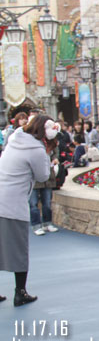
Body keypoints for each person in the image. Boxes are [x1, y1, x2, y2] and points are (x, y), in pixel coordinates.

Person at [0, 115, 59, 306]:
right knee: (19, 250)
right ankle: (20, 293)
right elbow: (43, 175)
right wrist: (48, 153)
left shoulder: (15, 139)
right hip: (12, 204)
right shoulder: (37, 150)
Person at [29, 146, 60, 236]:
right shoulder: (31, 141)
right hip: (33, 177)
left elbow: (55, 152)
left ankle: (47, 223)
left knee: (47, 202)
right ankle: (36, 225)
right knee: (33, 203)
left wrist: (54, 159)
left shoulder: (50, 141)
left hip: (47, 176)